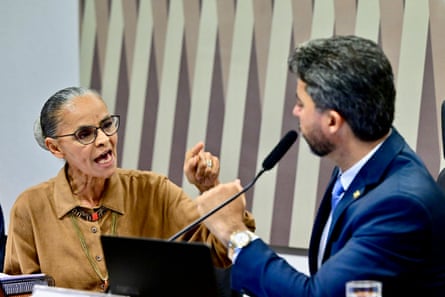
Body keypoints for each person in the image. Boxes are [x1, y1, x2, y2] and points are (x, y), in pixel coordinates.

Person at [195, 35, 445, 297]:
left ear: (333, 122)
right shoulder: (362, 165)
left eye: (302, 104)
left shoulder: (400, 205)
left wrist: (236, 233)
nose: (295, 111)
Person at [4, 86, 255, 292]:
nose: (104, 140)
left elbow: (223, 253)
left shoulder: (154, 191)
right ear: (55, 148)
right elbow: (18, 290)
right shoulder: (30, 207)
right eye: (85, 134)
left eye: (106, 125)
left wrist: (209, 189)